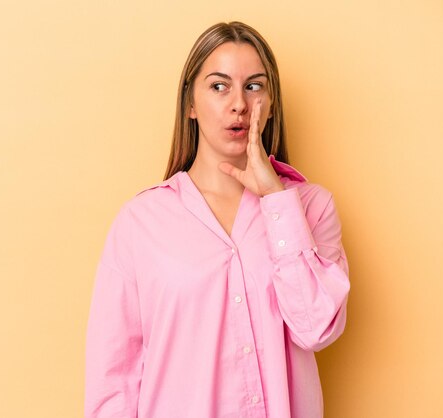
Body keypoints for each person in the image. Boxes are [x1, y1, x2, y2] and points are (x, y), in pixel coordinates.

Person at [84, 21, 350, 418]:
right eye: (219, 86)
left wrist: (277, 202)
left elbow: (316, 329)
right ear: (190, 104)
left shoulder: (310, 208)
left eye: (254, 86)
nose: (239, 104)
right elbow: (113, 381)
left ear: (271, 103)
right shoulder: (140, 223)